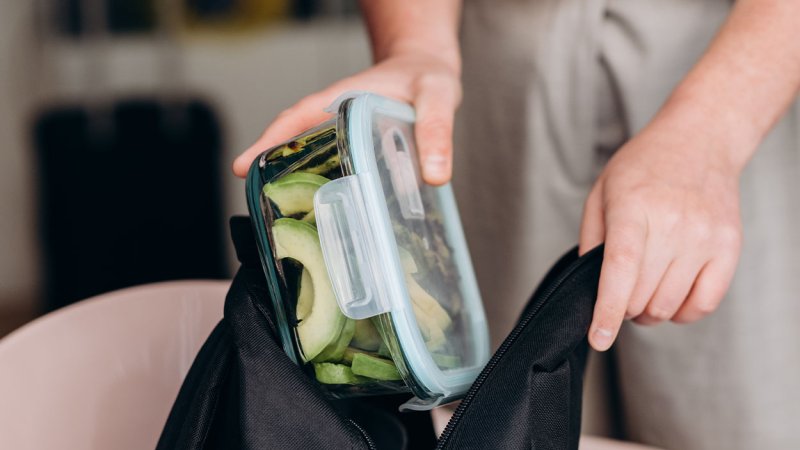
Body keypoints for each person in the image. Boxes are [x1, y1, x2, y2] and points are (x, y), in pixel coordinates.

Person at [234, 1, 800, 448]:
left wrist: (709, 133)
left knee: (739, 417)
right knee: (508, 418)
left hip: (739, 60)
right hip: (496, 72)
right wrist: (416, 46)